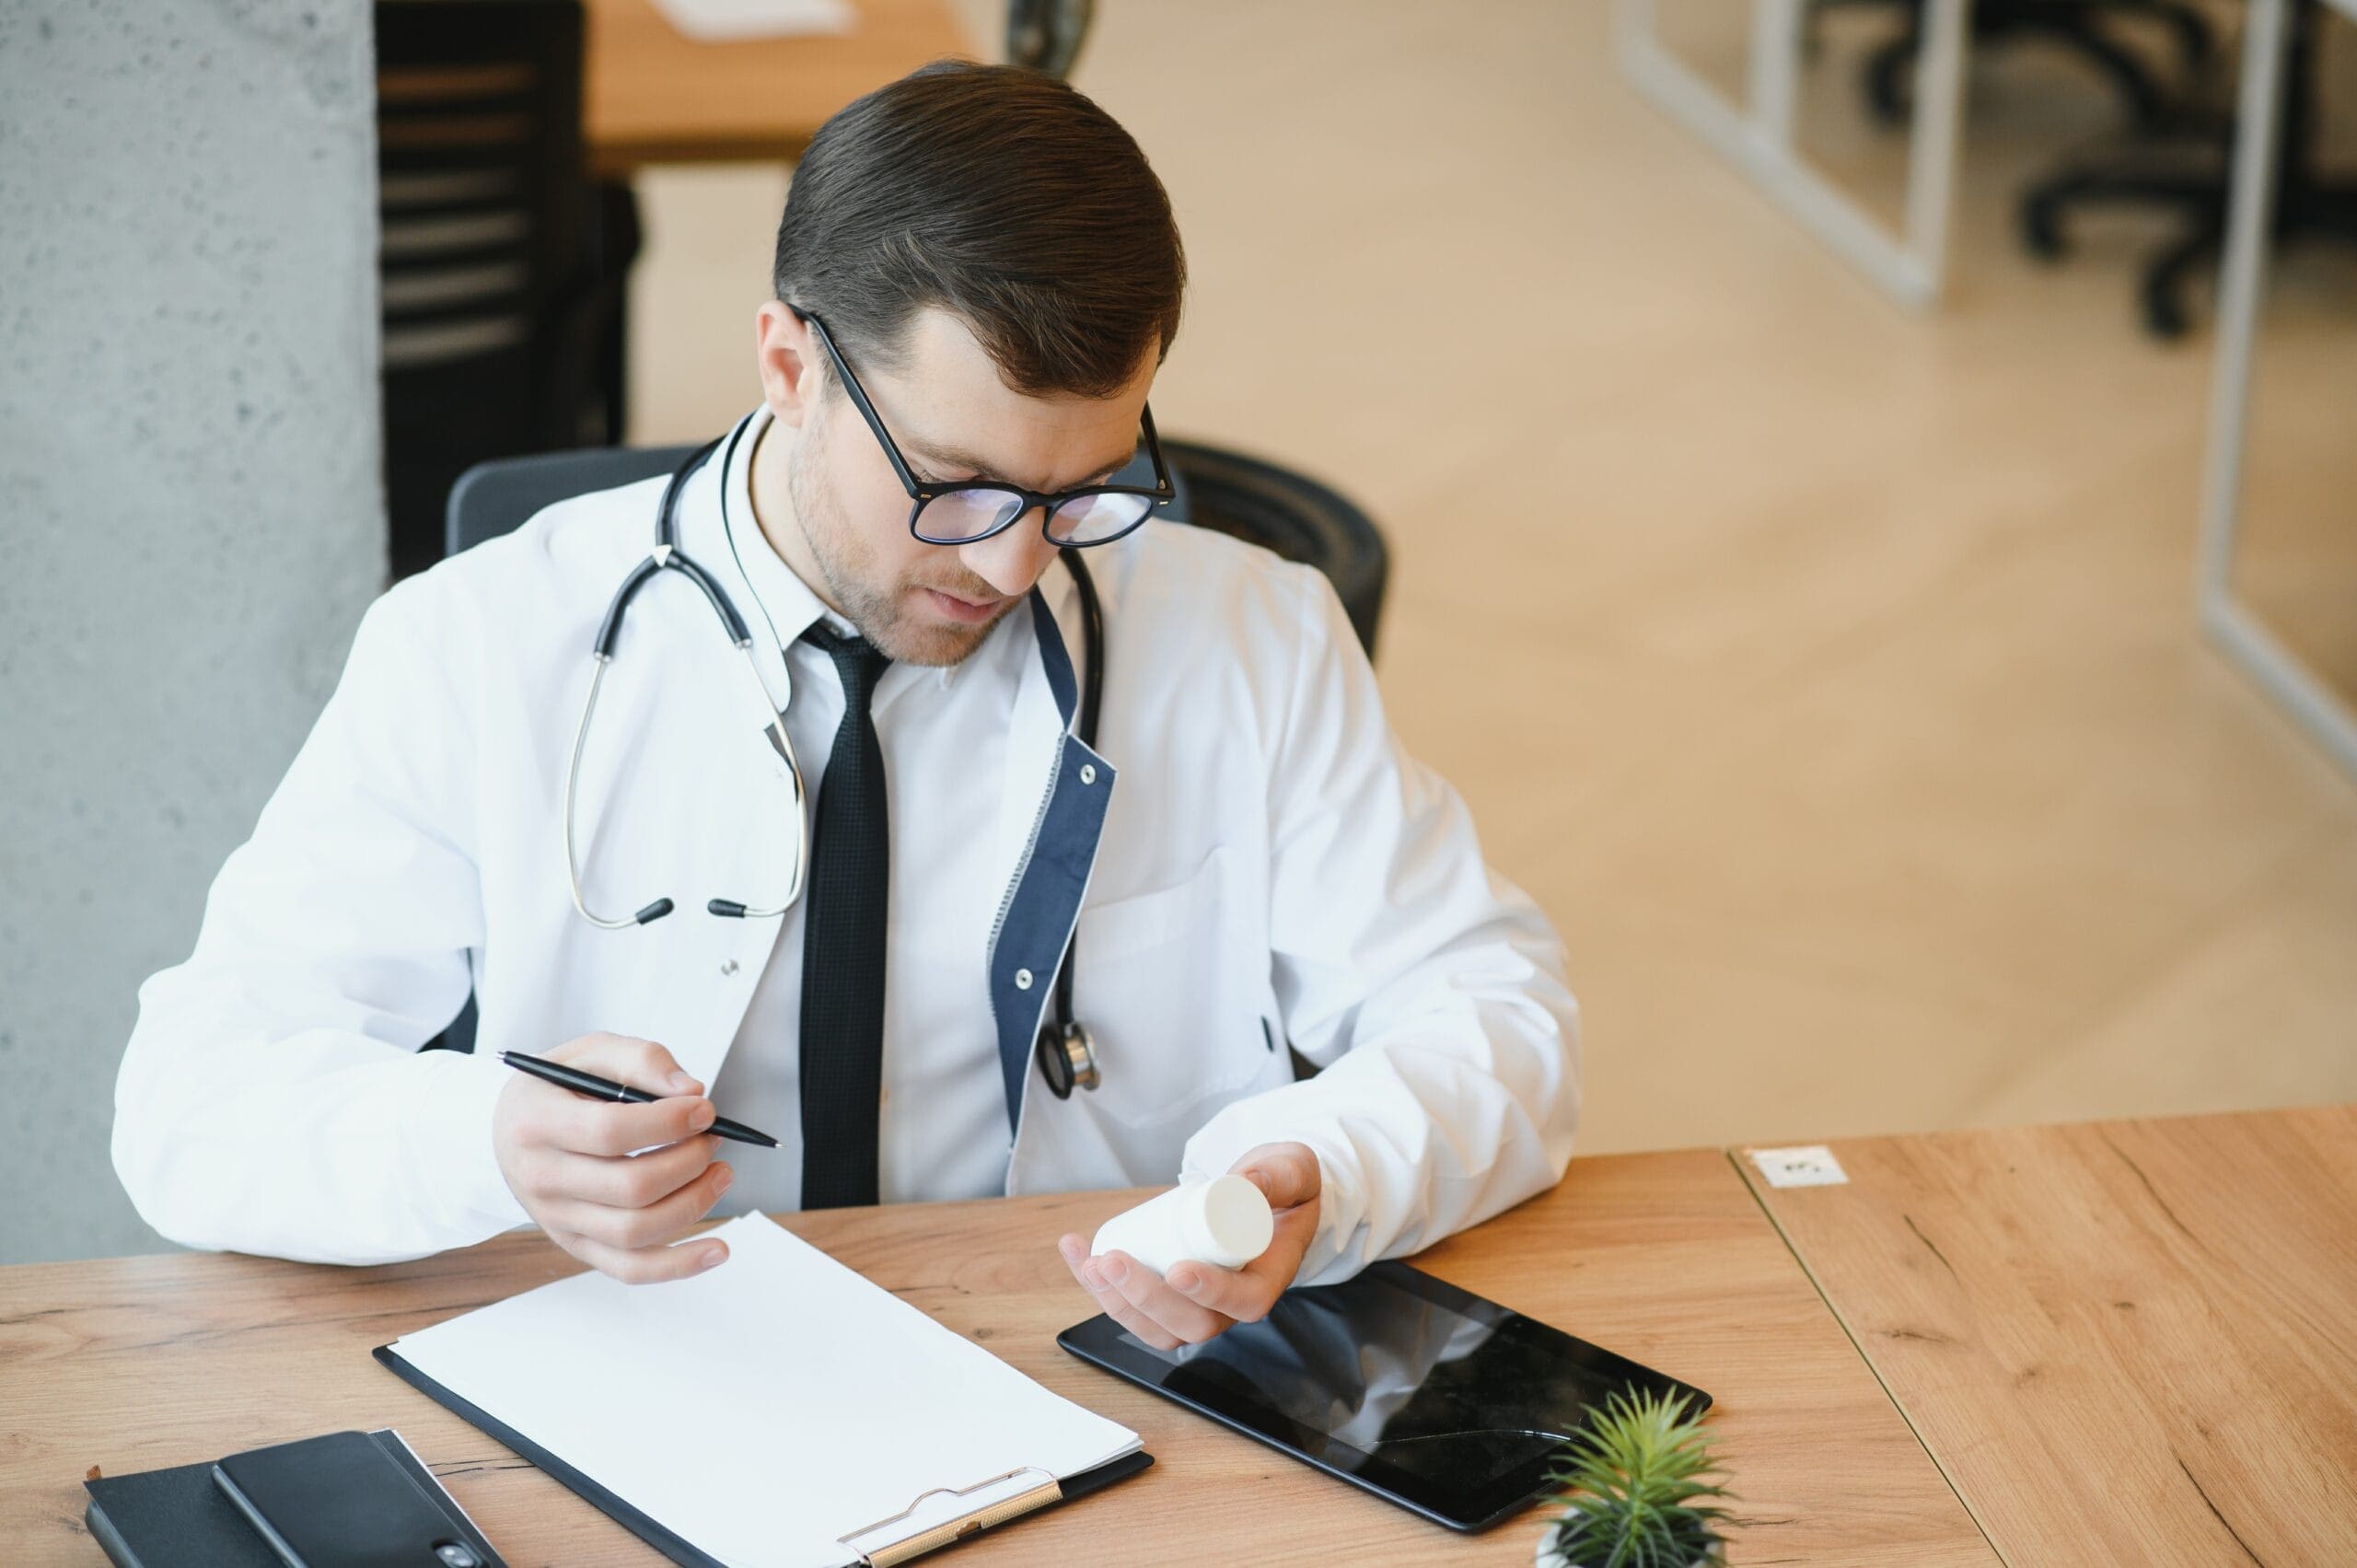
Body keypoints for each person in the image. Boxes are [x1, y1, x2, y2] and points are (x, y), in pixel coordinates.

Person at [114, 62, 1578, 1352]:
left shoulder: (1253, 637)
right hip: (652, 1371)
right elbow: (189, 1108)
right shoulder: (481, 643)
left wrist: (1322, 1164)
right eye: (955, 485)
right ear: (788, 366)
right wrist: (490, 1143)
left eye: (1083, 490)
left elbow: (1500, 1023)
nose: (1012, 560)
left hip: (1064, 1373)